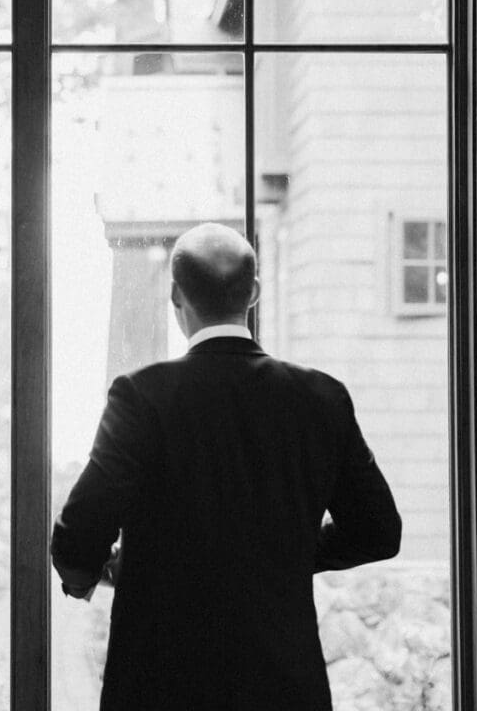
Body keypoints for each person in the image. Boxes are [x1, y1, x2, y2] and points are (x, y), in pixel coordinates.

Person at [51, 222, 401, 711]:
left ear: (176, 295)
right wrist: (284, 550)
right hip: (281, 684)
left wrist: (97, 573)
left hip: (160, 683)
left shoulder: (141, 396)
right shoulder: (321, 398)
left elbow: (76, 537)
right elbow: (379, 531)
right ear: (253, 293)